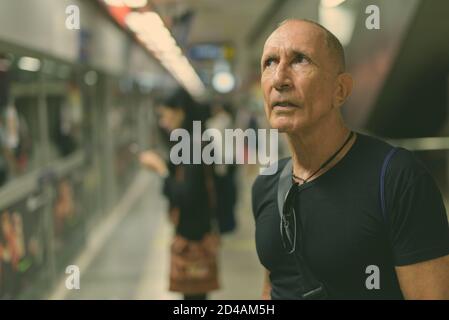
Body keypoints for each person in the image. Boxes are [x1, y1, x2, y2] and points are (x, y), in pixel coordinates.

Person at [252, 19, 449, 300]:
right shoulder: (267, 184)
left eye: (300, 60)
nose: (279, 79)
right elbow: (275, 285)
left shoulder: (397, 179)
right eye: (269, 62)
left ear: (341, 90)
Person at [140, 88, 220, 300]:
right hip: (199, 227)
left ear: (181, 112)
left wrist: (161, 170)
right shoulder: (193, 138)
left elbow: (186, 196)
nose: (164, 122)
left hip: (193, 233)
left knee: (194, 296)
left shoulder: (192, 145)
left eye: (167, 115)